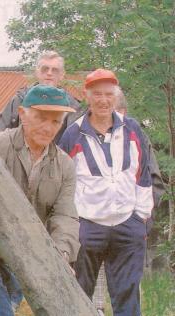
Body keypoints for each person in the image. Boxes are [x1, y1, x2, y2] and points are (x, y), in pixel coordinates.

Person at [0, 84, 80, 316]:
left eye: (56, 121)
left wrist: (61, 253)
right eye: (41, 117)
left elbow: (65, 215)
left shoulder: (65, 166)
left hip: (22, 255)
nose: (48, 127)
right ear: (22, 114)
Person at [58, 69, 153, 316]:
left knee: (127, 296)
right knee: (79, 295)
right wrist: (73, 222)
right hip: (88, 227)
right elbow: (62, 180)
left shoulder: (132, 129)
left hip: (127, 224)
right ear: (86, 96)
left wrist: (140, 218)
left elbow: (143, 174)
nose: (103, 100)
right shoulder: (73, 134)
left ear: (116, 96)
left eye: (108, 94)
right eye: (97, 94)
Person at [91, 86, 165, 316]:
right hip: (92, 234)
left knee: (127, 301)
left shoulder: (138, 140)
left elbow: (155, 186)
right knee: (93, 303)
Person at [0, 51, 82, 142]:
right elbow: (0, 132)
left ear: (62, 75)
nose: (49, 73)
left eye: (55, 70)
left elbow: (75, 142)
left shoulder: (72, 106)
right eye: (45, 69)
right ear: (37, 72)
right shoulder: (19, 100)